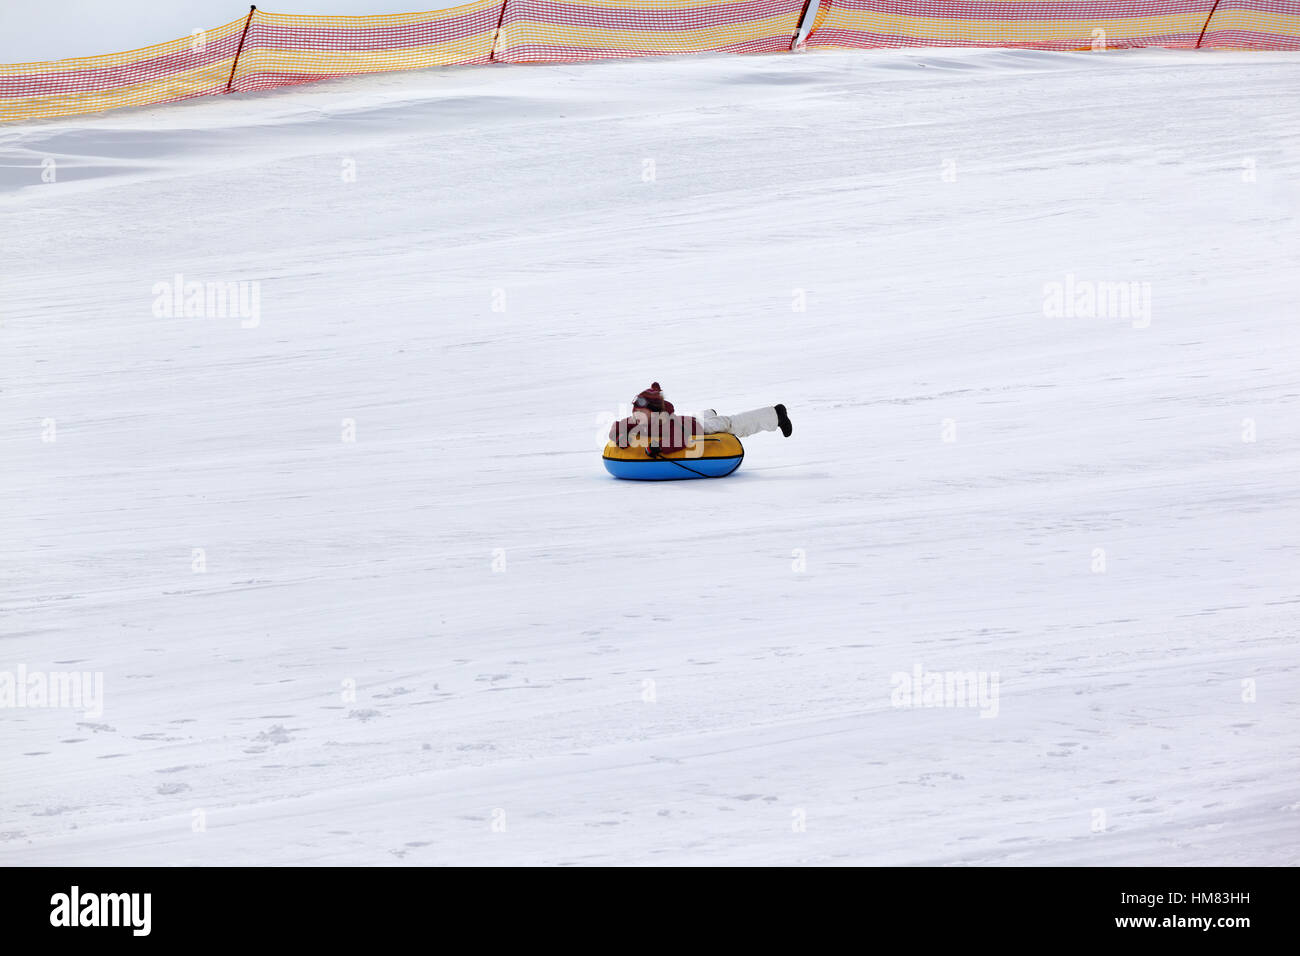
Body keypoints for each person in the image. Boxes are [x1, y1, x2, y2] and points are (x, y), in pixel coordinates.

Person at [608, 382, 792, 454]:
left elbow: (681, 440)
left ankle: (776, 414)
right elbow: (616, 427)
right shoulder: (637, 421)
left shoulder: (668, 424)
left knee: (732, 424)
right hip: (690, 421)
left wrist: (658, 447)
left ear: (655, 413)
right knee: (701, 419)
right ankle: (709, 412)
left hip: (700, 428)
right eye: (635, 412)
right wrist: (620, 437)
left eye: (641, 412)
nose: (635, 416)